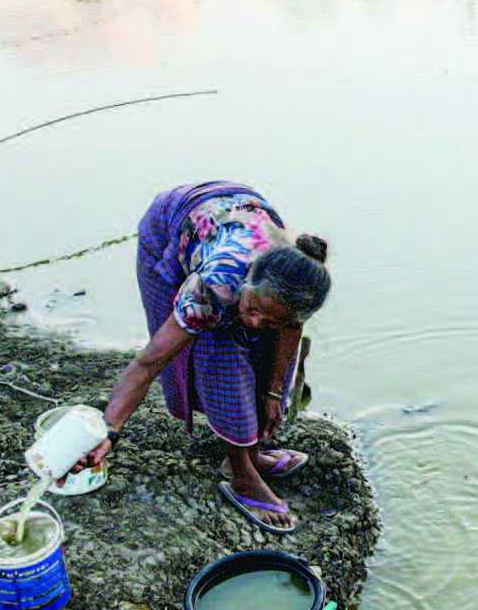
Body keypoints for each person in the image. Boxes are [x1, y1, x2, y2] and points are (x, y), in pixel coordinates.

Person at [72, 180, 331, 533]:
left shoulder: (301, 278)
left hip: (235, 214)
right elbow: (148, 364)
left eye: (271, 319)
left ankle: (249, 456)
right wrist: (108, 430)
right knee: (218, 355)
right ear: (248, 281)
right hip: (171, 224)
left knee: (263, 350)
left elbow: (289, 331)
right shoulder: (215, 284)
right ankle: (242, 475)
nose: (256, 322)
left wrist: (273, 392)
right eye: (253, 308)